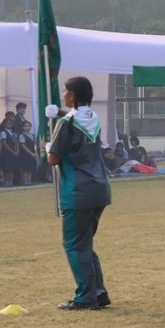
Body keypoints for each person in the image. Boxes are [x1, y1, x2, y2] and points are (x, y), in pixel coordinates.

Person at [45, 77, 113, 310]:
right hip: (99, 187)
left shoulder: (66, 123)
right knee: (85, 243)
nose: (63, 93)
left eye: (65, 90)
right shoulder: (93, 117)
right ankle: (98, 291)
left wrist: (48, 146)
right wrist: (59, 113)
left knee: (75, 244)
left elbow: (53, 158)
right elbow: (77, 121)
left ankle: (85, 295)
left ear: (72, 95)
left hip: (77, 190)